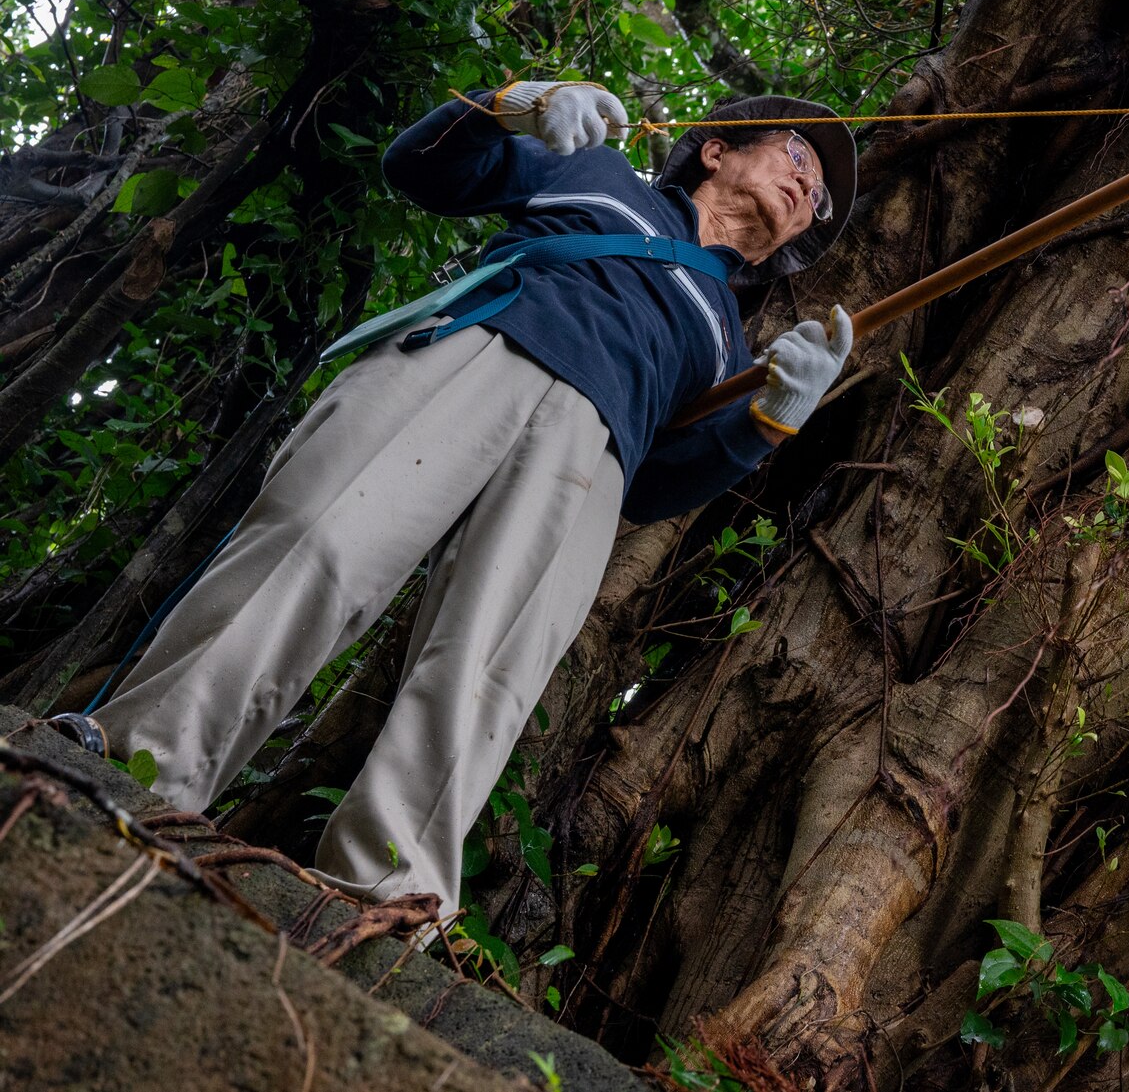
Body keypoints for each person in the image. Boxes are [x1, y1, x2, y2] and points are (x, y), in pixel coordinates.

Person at [44, 79, 857, 920]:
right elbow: (423, 171)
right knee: (320, 542)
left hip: (595, 454)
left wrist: (766, 420)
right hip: (480, 347)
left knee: (488, 665)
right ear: (718, 149)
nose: (808, 185)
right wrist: (508, 104)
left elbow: (658, 486)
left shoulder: (726, 335)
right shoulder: (602, 173)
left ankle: (387, 894)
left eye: (819, 196)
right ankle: (140, 762)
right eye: (797, 152)